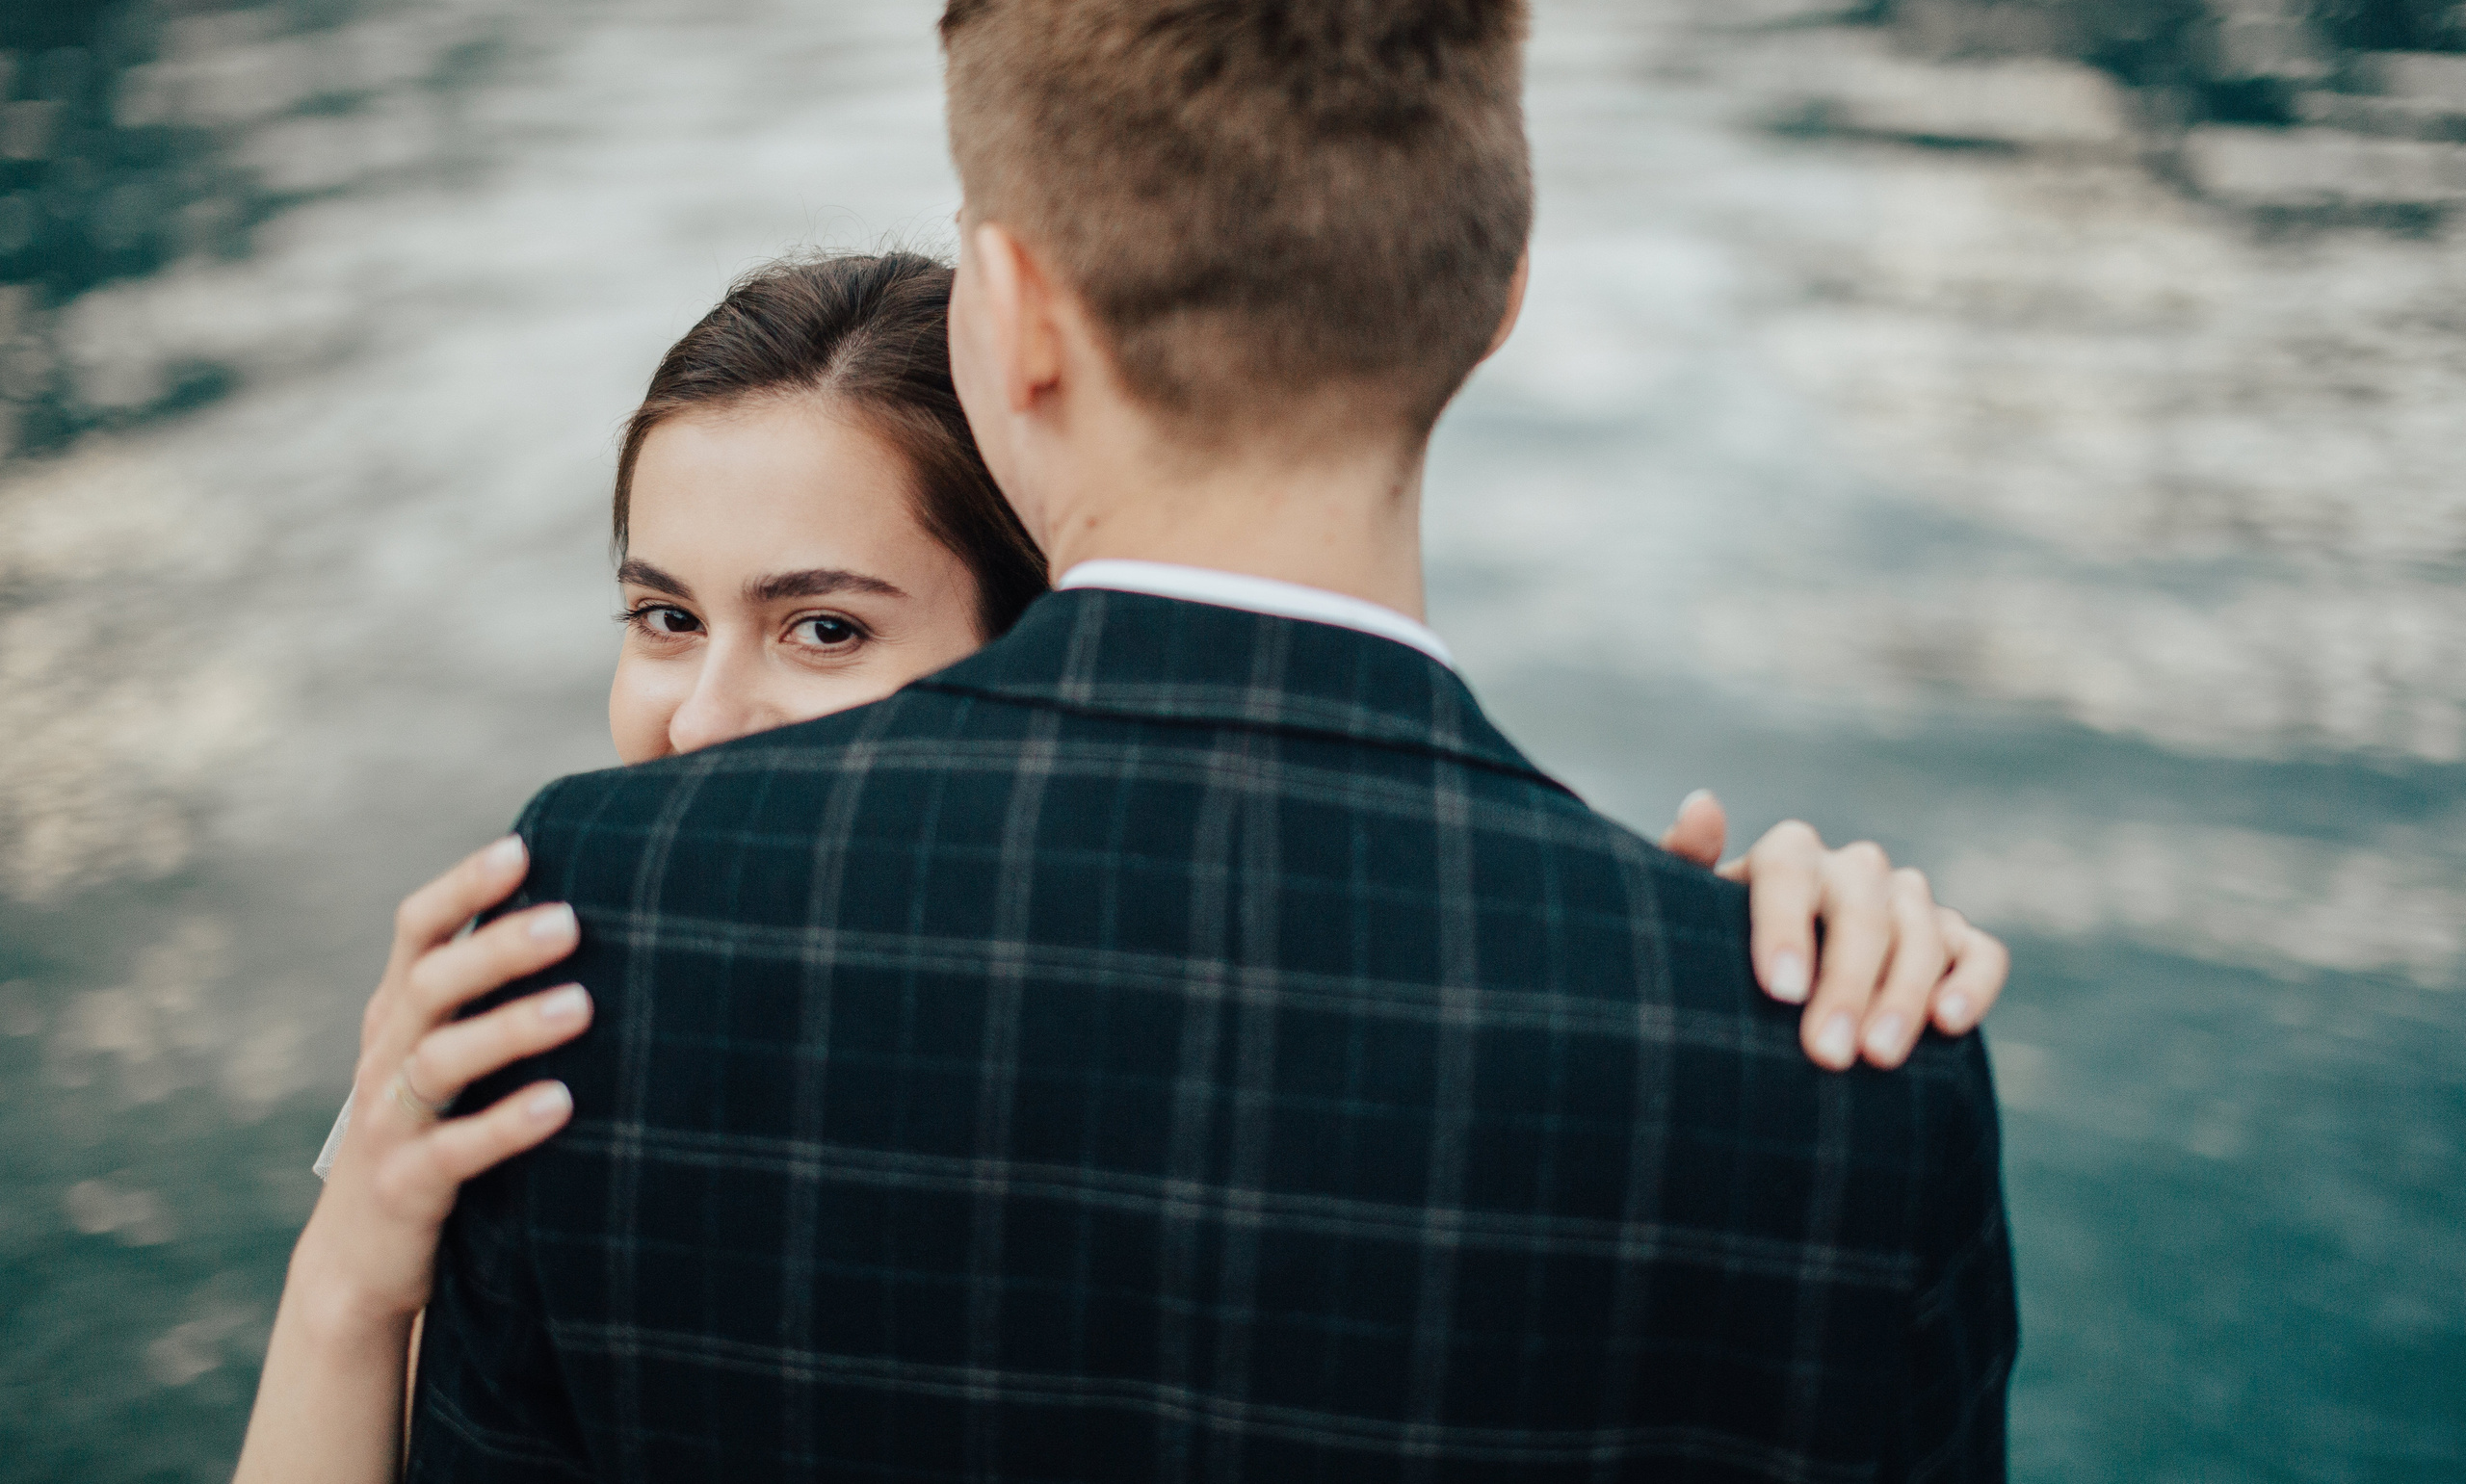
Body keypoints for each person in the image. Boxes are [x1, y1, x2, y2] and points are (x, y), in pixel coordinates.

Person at [233, 250, 2005, 1483]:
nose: (701, 715)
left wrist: (1727, 967)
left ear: (1028, 649)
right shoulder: (532, 983)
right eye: (662, 616)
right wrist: (351, 1264)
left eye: (825, 627)